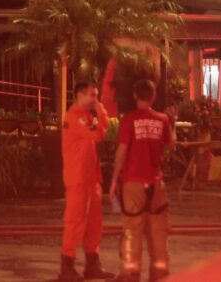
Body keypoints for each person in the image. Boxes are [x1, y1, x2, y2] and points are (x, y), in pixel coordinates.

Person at [109, 79, 174, 282]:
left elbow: (122, 151)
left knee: (131, 233)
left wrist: (113, 180)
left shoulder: (128, 120)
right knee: (158, 235)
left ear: (135, 96)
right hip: (156, 185)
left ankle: (130, 275)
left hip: (133, 184)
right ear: (153, 96)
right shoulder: (162, 120)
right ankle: (160, 276)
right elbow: (171, 146)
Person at [59, 80, 114, 281]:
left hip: (90, 178)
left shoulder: (83, 116)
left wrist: (99, 114)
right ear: (80, 95)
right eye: (92, 95)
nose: (95, 99)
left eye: (96, 95)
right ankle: (67, 266)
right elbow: (99, 134)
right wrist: (102, 113)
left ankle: (92, 264)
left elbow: (98, 134)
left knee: (94, 224)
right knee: (75, 222)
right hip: (78, 179)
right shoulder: (74, 117)